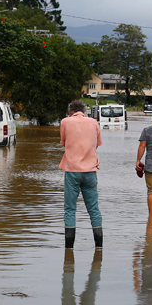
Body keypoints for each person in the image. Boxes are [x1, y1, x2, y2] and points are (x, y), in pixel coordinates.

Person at [60, 100, 103, 249]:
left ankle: (69, 249)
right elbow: (97, 144)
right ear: (84, 111)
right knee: (94, 209)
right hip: (90, 171)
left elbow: (63, 142)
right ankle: (99, 247)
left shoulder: (65, 122)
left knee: (70, 209)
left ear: (70, 111)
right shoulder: (94, 123)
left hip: (72, 170)